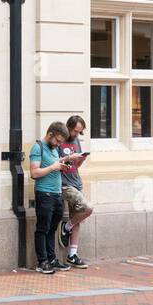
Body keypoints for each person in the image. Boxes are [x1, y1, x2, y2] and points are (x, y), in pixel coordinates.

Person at [29, 121, 73, 275]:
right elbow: (34, 173)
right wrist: (54, 167)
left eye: (61, 142)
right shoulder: (38, 147)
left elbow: (54, 164)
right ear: (50, 134)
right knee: (43, 228)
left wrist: (62, 163)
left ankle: (52, 259)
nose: (59, 144)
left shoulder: (55, 149)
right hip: (44, 194)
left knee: (52, 228)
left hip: (57, 194)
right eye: (58, 141)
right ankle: (42, 262)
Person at [57, 115, 93, 269]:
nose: (77, 135)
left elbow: (75, 166)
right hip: (65, 184)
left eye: (79, 132)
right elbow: (55, 162)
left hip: (76, 181)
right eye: (75, 131)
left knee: (77, 218)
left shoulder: (76, 141)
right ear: (69, 127)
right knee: (87, 208)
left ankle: (72, 255)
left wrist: (79, 160)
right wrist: (69, 157)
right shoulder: (59, 140)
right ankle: (66, 227)